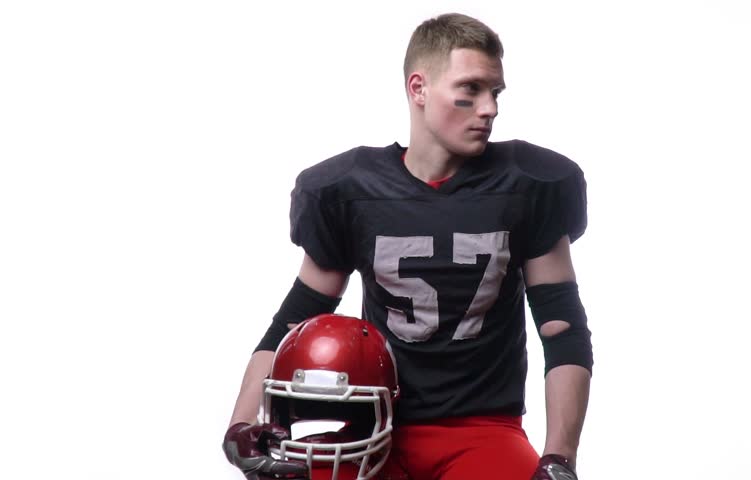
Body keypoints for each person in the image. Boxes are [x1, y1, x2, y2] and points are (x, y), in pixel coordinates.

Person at [224, 12, 593, 480]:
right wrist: (240, 424)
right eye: (471, 91)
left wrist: (560, 456)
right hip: (374, 430)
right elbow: (293, 322)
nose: (489, 109)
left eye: (495, 93)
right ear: (418, 89)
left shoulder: (528, 184)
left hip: (485, 430)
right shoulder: (351, 191)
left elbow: (561, 329)